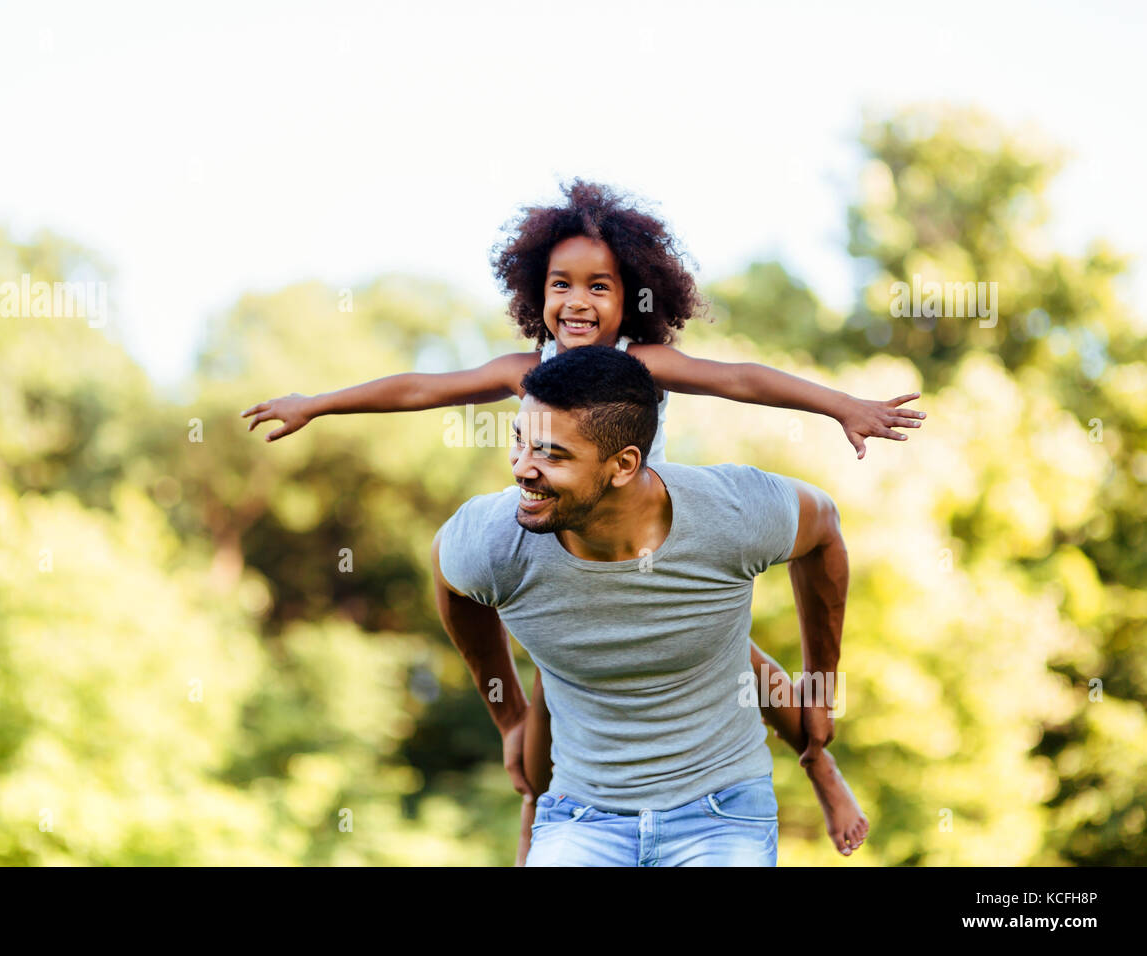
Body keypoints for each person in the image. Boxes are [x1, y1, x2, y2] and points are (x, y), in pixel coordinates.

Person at [243, 179, 914, 860]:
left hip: (652, 556)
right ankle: (543, 810)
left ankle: (817, 763)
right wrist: (318, 404)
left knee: (731, 658)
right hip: (563, 566)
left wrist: (840, 405)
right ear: (537, 290)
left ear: (635, 298)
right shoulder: (524, 368)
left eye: (601, 287)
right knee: (552, 703)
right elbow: (422, 387)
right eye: (561, 284)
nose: (577, 302)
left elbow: (739, 378)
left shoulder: (642, 364)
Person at [433, 345, 849, 866]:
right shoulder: (494, 542)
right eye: (518, 442)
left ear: (624, 465)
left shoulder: (733, 512)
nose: (521, 468)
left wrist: (821, 682)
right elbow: (449, 579)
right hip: (580, 813)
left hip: (722, 814)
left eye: (551, 455)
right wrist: (509, 715)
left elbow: (824, 530)